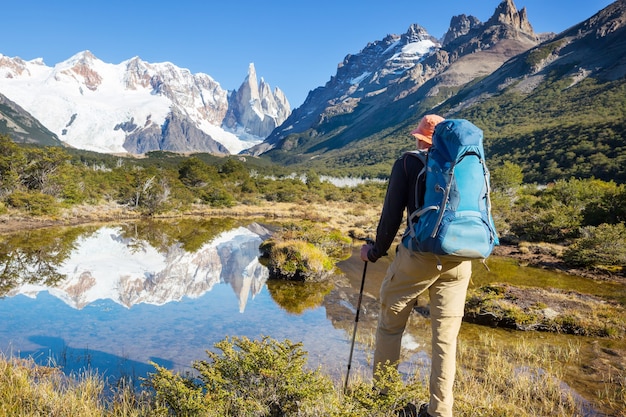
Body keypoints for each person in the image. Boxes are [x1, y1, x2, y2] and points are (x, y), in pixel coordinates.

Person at [360, 114, 472, 417]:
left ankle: (383, 398)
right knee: (445, 338)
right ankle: (440, 411)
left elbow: (391, 217)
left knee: (390, 326)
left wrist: (374, 252)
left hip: (418, 256)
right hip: (460, 258)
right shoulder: (465, 164)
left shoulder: (408, 163)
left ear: (422, 138)